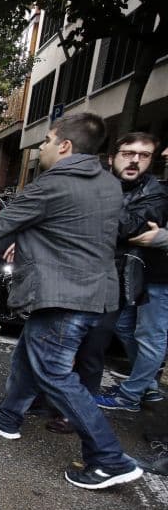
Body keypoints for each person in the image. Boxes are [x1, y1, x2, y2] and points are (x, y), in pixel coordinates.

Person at [0, 113, 143, 490]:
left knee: (54, 373)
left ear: (65, 146)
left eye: (48, 140)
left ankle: (109, 458)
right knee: (26, 355)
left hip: (64, 293)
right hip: (95, 291)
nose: (43, 146)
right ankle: (7, 416)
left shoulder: (53, 185)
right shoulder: (107, 182)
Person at [92, 132, 168, 412]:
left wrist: (161, 239)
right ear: (112, 157)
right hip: (138, 275)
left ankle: (130, 396)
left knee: (150, 337)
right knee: (125, 328)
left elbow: (127, 228)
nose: (135, 160)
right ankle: (145, 387)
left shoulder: (154, 194)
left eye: (144, 155)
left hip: (156, 276)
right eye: (129, 153)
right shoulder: (128, 187)